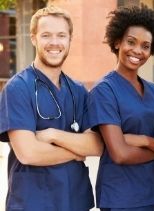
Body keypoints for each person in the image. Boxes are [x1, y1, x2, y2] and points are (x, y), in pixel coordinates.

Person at [0, 6, 103, 211]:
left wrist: (53, 135)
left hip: (75, 201)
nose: (54, 42)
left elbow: (97, 145)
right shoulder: (18, 88)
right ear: (33, 38)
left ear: (70, 40)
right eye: (46, 35)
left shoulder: (78, 90)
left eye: (61, 35)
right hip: (33, 202)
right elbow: (29, 153)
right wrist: (75, 152)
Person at [86, 5, 154, 211]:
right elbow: (120, 154)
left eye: (145, 45)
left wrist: (142, 140)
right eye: (131, 42)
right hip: (121, 198)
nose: (137, 51)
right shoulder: (104, 90)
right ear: (117, 42)